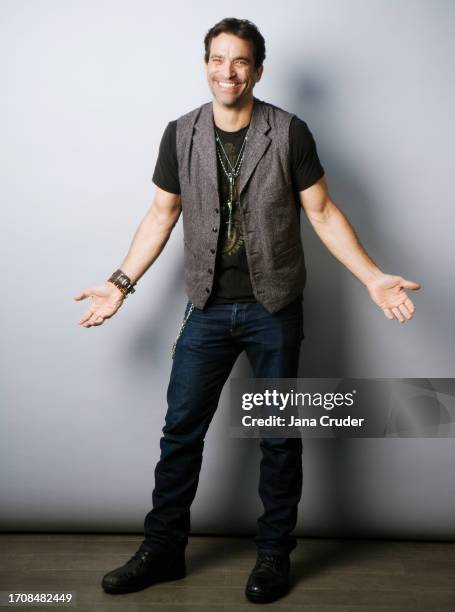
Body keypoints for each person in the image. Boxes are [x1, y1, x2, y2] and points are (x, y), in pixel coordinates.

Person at [73, 17, 421, 605]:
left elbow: (323, 213)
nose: (226, 72)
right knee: (180, 432)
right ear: (205, 64)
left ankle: (272, 557)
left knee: (279, 436)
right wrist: (120, 282)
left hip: (273, 308)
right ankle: (163, 551)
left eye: (239, 62)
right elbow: (162, 214)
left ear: (258, 69)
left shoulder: (289, 132)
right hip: (205, 307)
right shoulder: (179, 133)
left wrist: (372, 278)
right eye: (217, 59)